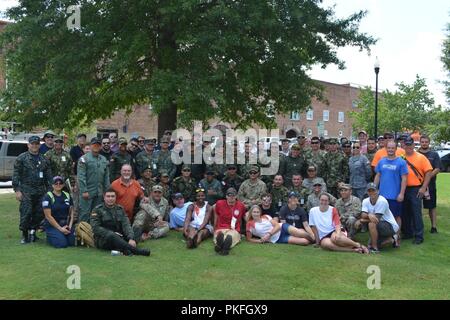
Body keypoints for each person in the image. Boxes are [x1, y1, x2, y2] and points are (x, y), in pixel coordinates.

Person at [13, 135, 53, 244]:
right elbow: (16, 175)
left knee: (40, 212)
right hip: (26, 190)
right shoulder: (21, 158)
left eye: (36, 144)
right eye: (32, 144)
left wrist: (50, 191)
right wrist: (17, 190)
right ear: (28, 145)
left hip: (41, 191)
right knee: (26, 212)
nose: (34, 146)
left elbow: (49, 176)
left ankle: (32, 232)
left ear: (39, 145)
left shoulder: (44, 159)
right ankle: (24, 234)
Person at [90, 188, 150, 256]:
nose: (110, 198)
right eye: (108, 196)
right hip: (104, 239)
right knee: (112, 235)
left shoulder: (120, 209)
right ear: (104, 198)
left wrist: (131, 238)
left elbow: (126, 224)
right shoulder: (97, 210)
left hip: (119, 236)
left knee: (137, 228)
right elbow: (95, 228)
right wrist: (113, 234)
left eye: (112, 196)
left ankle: (125, 248)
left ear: (116, 198)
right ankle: (136, 251)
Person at [402, 136, 433, 245]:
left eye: (410, 144)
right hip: (403, 188)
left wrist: (423, 187)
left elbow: (428, 172)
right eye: (406, 144)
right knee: (405, 212)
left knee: (416, 213)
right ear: (404, 145)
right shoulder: (400, 157)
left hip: (416, 188)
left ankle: (419, 236)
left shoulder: (421, 157)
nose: (408, 146)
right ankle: (407, 233)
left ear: (413, 145)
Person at [374, 141, 408, 232]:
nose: (390, 150)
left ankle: (397, 235)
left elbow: (404, 179)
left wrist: (401, 193)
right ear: (386, 148)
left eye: (392, 148)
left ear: (396, 149)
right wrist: (374, 189)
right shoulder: (381, 161)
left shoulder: (401, 162)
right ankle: (385, 235)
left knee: (396, 216)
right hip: (382, 196)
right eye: (389, 148)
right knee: (381, 216)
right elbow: (378, 175)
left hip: (395, 196)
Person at [77, 137, 110, 222]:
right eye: (94, 145)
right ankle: (82, 233)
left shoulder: (103, 159)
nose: (96, 146)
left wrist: (107, 191)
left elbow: (106, 176)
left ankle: (94, 233)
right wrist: (84, 190)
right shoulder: (84, 159)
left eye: (98, 145)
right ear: (91, 146)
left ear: (100, 146)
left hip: (99, 192)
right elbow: (81, 176)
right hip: (87, 191)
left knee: (96, 214)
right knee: (85, 213)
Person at [246, 205, 314, 245]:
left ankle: (316, 240)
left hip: (282, 228)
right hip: (277, 239)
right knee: (305, 242)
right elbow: (249, 239)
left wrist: (269, 234)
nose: (256, 214)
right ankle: (302, 232)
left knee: (301, 234)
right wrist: (260, 241)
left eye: (257, 212)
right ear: (251, 213)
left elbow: (277, 226)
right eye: (254, 212)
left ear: (260, 213)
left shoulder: (266, 217)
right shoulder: (250, 225)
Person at [361, 183, 400, 253]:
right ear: (367, 192)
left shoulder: (382, 201)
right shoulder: (365, 201)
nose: (371, 192)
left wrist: (362, 220)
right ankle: (392, 239)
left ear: (378, 191)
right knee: (369, 245)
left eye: (373, 190)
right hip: (380, 225)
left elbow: (376, 219)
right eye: (369, 191)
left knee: (371, 224)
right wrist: (369, 215)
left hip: (390, 226)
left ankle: (375, 248)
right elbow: (363, 214)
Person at [42, 176, 75, 248]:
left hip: (65, 224)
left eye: (60, 183)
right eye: (56, 183)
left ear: (63, 185)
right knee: (62, 244)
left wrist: (69, 226)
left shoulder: (67, 195)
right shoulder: (47, 196)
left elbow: (71, 213)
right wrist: (60, 229)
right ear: (52, 185)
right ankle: (50, 236)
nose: (58, 185)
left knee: (72, 242)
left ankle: (60, 235)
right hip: (53, 225)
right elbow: (48, 216)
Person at [418, 135, 442, 233]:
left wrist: (427, 177)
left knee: (431, 206)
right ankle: (418, 226)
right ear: (420, 142)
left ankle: (433, 227)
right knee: (417, 207)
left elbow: (437, 169)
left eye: (426, 142)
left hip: (431, 185)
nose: (424, 143)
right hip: (418, 186)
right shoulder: (416, 154)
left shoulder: (434, 154)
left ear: (429, 142)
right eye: (422, 142)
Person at [213, 187, 246, 255]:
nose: (231, 197)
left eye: (233, 195)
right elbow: (216, 215)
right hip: (221, 227)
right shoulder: (219, 203)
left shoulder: (241, 205)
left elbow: (244, 217)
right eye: (229, 195)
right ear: (226, 196)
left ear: (236, 196)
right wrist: (214, 227)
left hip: (234, 229)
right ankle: (223, 247)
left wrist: (245, 230)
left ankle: (222, 246)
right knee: (219, 234)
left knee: (231, 236)